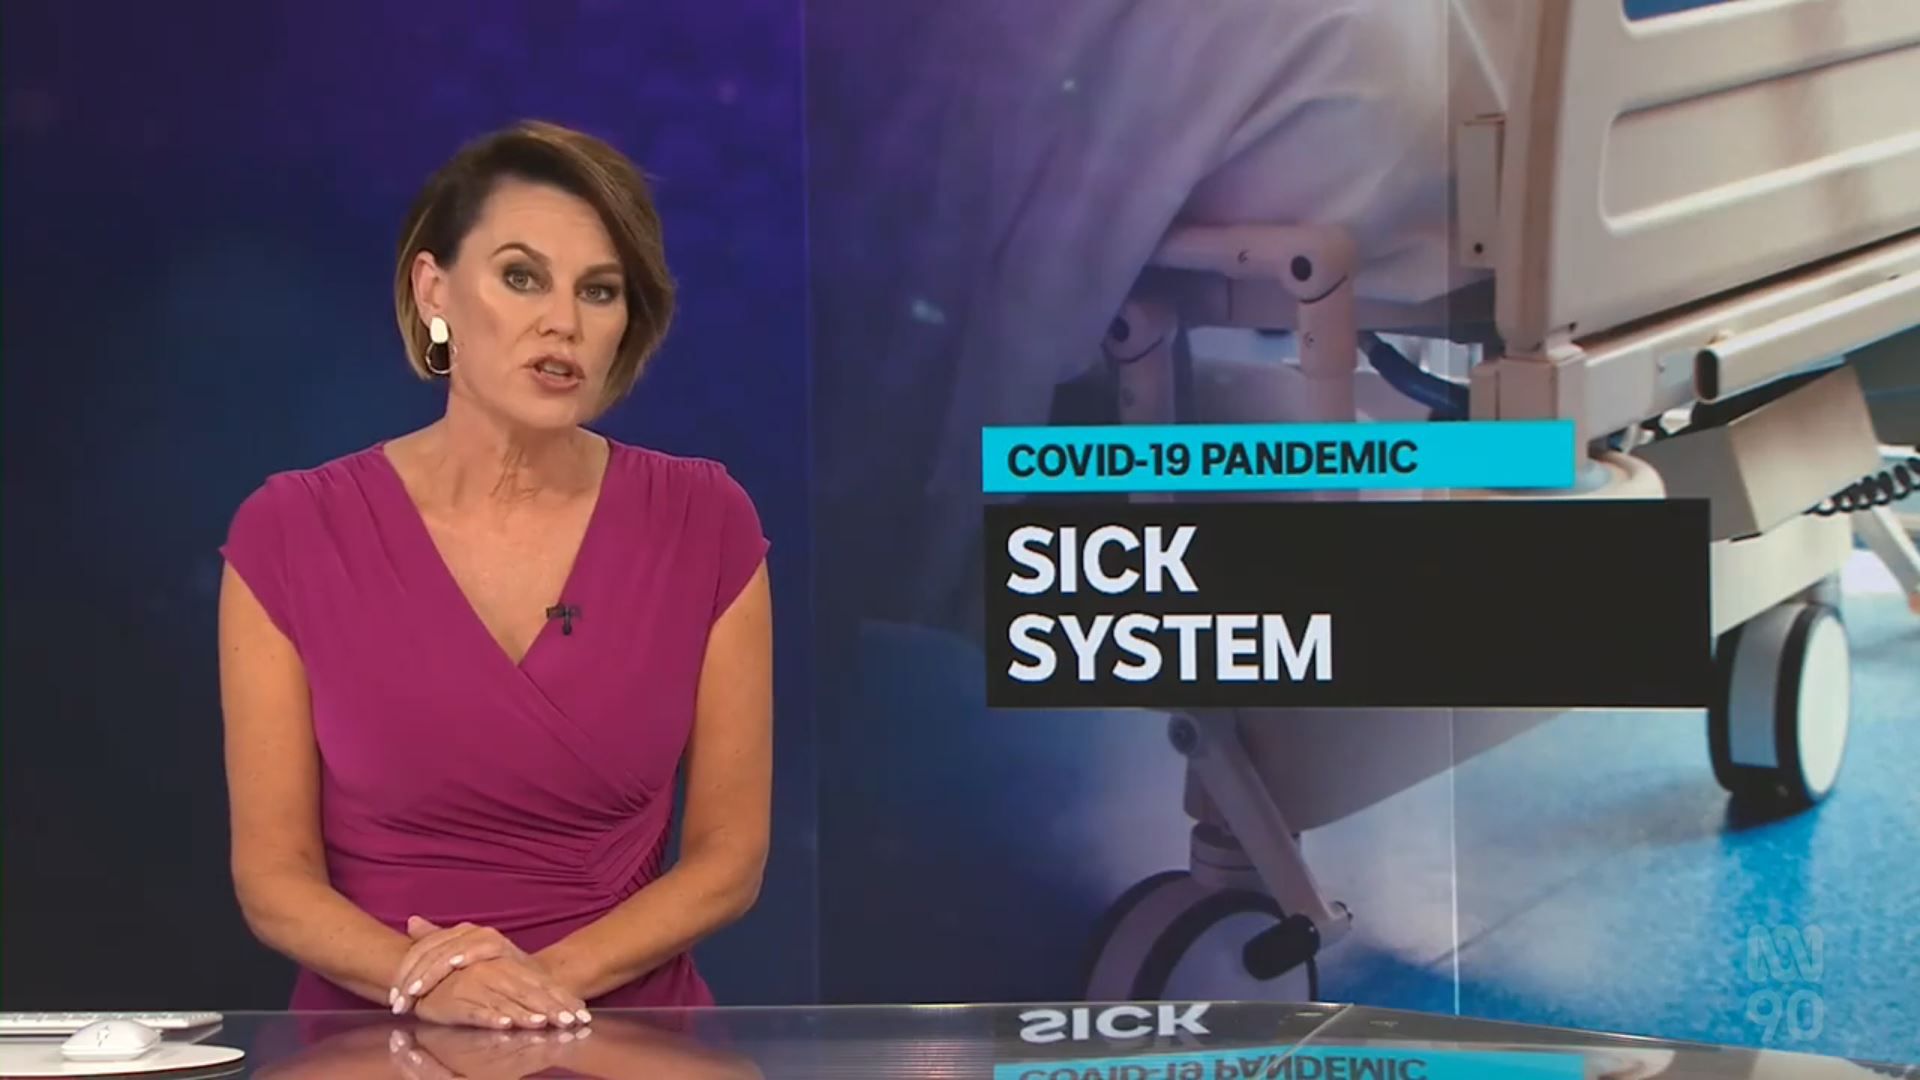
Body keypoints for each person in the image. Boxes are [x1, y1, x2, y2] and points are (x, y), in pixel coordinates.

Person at [217, 119, 773, 1029]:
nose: (564, 322)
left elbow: (729, 858)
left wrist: (531, 990)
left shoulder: (705, 522)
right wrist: (430, 982)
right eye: (522, 277)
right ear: (433, 290)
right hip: (377, 1034)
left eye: (599, 291)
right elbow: (274, 879)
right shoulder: (290, 532)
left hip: (621, 1035)